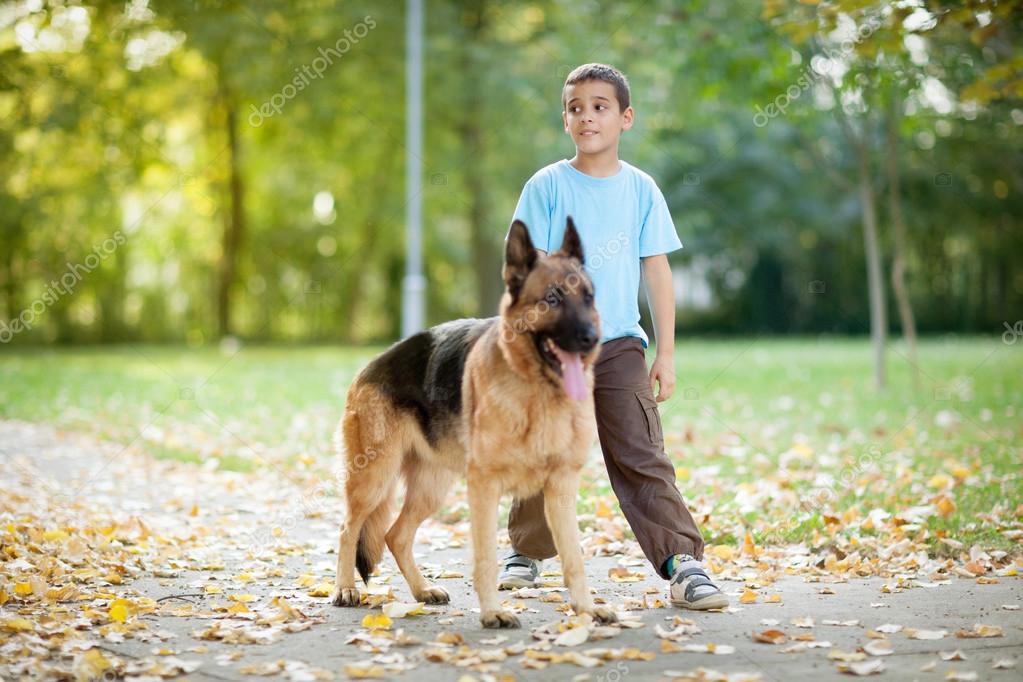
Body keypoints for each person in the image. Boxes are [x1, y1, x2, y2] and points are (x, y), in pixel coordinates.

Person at [499, 63, 728, 610]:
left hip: (621, 341)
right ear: (565, 119)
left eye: (600, 106)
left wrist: (666, 353)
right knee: (542, 445)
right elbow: (525, 269)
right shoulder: (547, 185)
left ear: (625, 117)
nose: (587, 116)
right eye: (576, 107)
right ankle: (526, 552)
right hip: (554, 346)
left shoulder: (642, 189)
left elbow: (657, 271)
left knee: (641, 452)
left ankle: (683, 563)